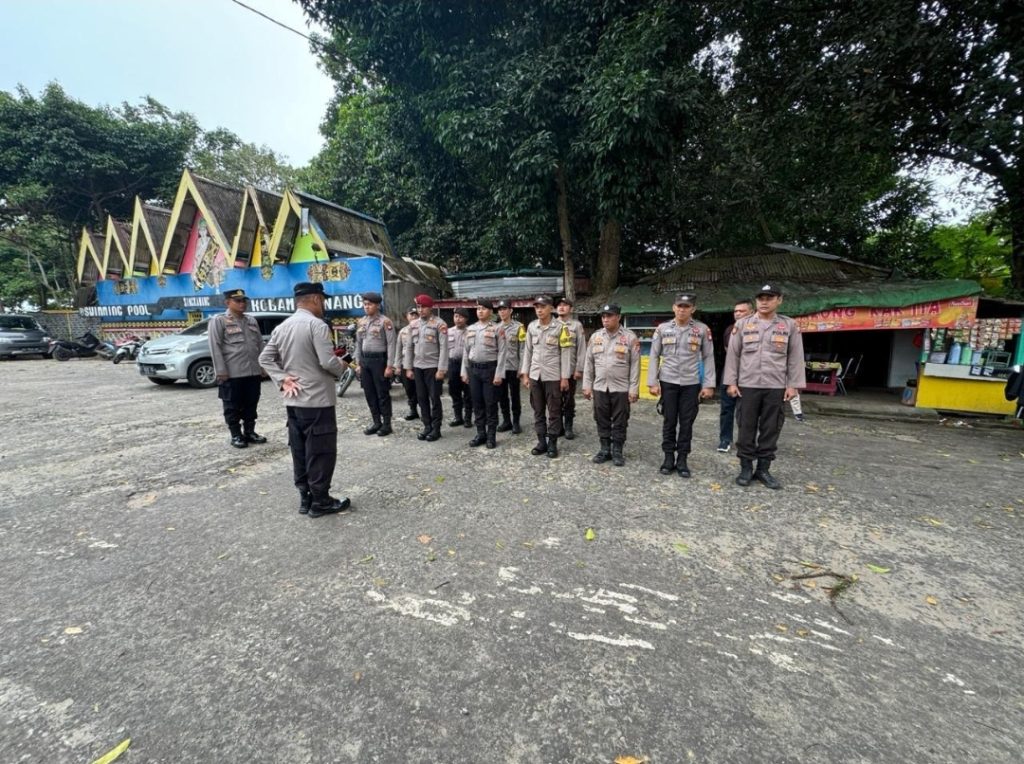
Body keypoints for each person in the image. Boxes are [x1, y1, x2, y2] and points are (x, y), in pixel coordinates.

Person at [259, 282, 352, 517]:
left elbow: (265, 358)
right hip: (317, 400)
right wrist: (343, 365)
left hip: (294, 401)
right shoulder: (316, 325)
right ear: (316, 299)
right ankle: (320, 501)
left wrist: (282, 379)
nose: (324, 305)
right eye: (323, 301)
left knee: (299, 450)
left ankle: (305, 497)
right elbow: (327, 362)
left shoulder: (283, 327)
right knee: (320, 451)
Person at [723, 283, 806, 489]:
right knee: (746, 427)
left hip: (776, 385)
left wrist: (793, 385)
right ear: (756, 301)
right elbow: (733, 355)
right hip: (747, 385)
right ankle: (745, 468)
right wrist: (731, 382)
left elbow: (795, 357)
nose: (765, 302)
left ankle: (763, 469)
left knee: (771, 428)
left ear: (779, 300)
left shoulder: (789, 326)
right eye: (761, 298)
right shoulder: (742, 325)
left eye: (769, 298)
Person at [647, 292, 716, 478]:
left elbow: (708, 357)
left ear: (693, 309)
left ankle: (682, 459)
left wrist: (709, 384)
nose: (682, 310)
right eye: (679, 306)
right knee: (669, 421)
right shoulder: (662, 329)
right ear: (673, 307)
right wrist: (652, 382)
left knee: (687, 423)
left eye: (686, 306)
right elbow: (654, 355)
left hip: (691, 383)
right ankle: (668, 457)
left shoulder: (702, 329)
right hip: (668, 381)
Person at [582, 304, 641, 466]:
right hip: (600, 386)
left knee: (621, 420)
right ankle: (605, 449)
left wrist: (634, 389)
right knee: (601, 418)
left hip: (621, 388)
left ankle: (617, 451)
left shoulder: (630, 337)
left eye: (609, 316)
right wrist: (587, 385)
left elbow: (635, 365)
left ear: (618, 317)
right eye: (603, 316)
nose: (605, 319)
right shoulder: (595, 337)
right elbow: (588, 363)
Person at [209, 288, 267, 449]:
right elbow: (215, 346)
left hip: (252, 371)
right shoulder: (219, 321)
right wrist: (221, 371)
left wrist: (263, 366)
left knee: (251, 403)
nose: (242, 304)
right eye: (238, 301)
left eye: (244, 301)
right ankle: (236, 434)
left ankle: (250, 432)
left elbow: (259, 344)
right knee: (232, 406)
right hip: (232, 373)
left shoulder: (251, 321)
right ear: (227, 302)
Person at [520, 295, 572, 458]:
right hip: (535, 375)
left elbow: (566, 353)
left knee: (554, 411)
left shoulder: (561, 327)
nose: (539, 310)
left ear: (551, 308)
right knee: (538, 410)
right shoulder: (532, 327)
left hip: (553, 376)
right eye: (537, 307)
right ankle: (541, 441)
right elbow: (527, 351)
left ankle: (552, 443)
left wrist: (565, 377)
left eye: (543, 307)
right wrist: (525, 374)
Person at [461, 299, 509, 448]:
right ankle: (481, 433)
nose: (480, 311)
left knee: (490, 403)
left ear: (490, 311)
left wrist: (499, 374)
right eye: (478, 309)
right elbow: (465, 351)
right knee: (477, 403)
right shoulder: (470, 329)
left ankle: (491, 436)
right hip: (474, 370)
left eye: (483, 308)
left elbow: (502, 352)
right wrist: (464, 371)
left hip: (490, 370)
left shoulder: (497, 328)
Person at [404, 294, 448, 442]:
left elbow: (444, 348)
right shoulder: (413, 325)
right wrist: (408, 368)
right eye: (418, 307)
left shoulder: (439, 324)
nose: (420, 310)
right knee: (421, 398)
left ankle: (436, 428)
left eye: (423, 307)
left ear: (430, 308)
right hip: (418, 367)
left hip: (433, 367)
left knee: (434, 398)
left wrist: (441, 369)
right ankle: (427, 426)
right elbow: (409, 347)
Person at [354, 291, 397, 437]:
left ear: (378, 305)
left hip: (379, 361)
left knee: (382, 393)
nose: (366, 307)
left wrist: (390, 366)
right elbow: (358, 343)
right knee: (369, 393)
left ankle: (387, 424)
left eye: (370, 304)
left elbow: (391, 344)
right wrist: (358, 363)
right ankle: (376, 421)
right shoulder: (361, 322)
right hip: (365, 361)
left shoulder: (385, 322)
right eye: (365, 304)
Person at [718, 300, 754, 452]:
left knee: (748, 411)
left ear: (751, 312)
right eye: (736, 311)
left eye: (742, 311)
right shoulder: (730, 330)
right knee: (727, 409)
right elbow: (729, 352)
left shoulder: (757, 329)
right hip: (730, 373)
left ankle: (746, 441)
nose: (738, 314)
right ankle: (725, 440)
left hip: (750, 375)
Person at [556, 296, 587, 439]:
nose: (561, 307)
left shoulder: (576, 325)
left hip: (570, 369)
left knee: (568, 400)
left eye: (565, 305)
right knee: (554, 400)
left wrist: (579, 369)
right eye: (559, 305)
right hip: (553, 370)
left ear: (571, 309)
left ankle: (568, 426)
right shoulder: (551, 324)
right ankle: (558, 426)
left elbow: (581, 348)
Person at [496, 299, 525, 434]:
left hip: (513, 367)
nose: (502, 312)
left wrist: (521, 368)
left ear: (511, 310)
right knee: (502, 396)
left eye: (504, 309)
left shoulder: (519, 327)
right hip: (500, 368)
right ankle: (506, 421)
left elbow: (522, 349)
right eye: (500, 310)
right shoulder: (495, 328)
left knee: (515, 396)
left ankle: (516, 422)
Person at [447, 308, 472, 428]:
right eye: (456, 316)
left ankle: (468, 418)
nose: (458, 319)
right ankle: (458, 417)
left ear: (466, 319)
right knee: (454, 391)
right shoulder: (448, 332)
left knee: (468, 392)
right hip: (453, 364)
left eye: (461, 317)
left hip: (466, 365)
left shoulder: (471, 331)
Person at [394, 306, 420, 422]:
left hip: (419, 364)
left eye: (415, 314)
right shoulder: (403, 331)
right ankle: (413, 410)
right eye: (411, 314)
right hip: (405, 364)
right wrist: (397, 366)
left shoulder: (423, 329)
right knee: (409, 388)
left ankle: (425, 410)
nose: (414, 316)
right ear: (407, 317)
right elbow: (398, 349)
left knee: (421, 388)